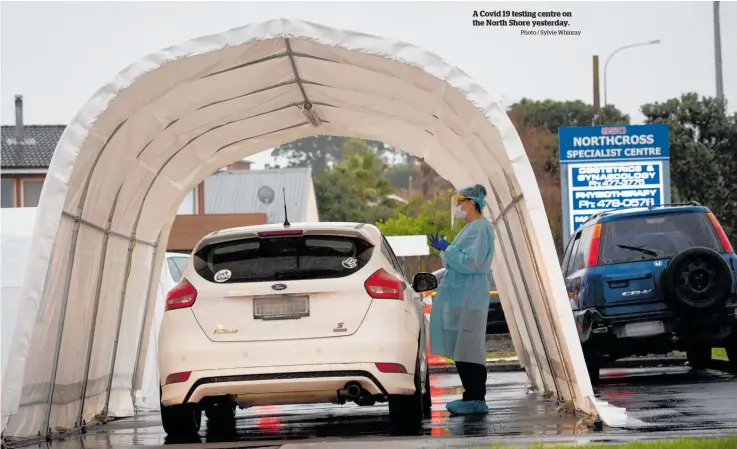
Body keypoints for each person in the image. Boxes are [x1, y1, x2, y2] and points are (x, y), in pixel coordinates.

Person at [427, 184, 496, 415]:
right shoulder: (470, 228)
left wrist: (449, 249)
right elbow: (456, 260)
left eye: (461, 201)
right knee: (463, 347)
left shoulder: (481, 228)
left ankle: (476, 398)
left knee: (470, 347)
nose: (458, 206)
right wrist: (445, 250)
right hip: (463, 295)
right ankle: (471, 396)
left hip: (472, 295)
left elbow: (471, 262)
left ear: (472, 203)